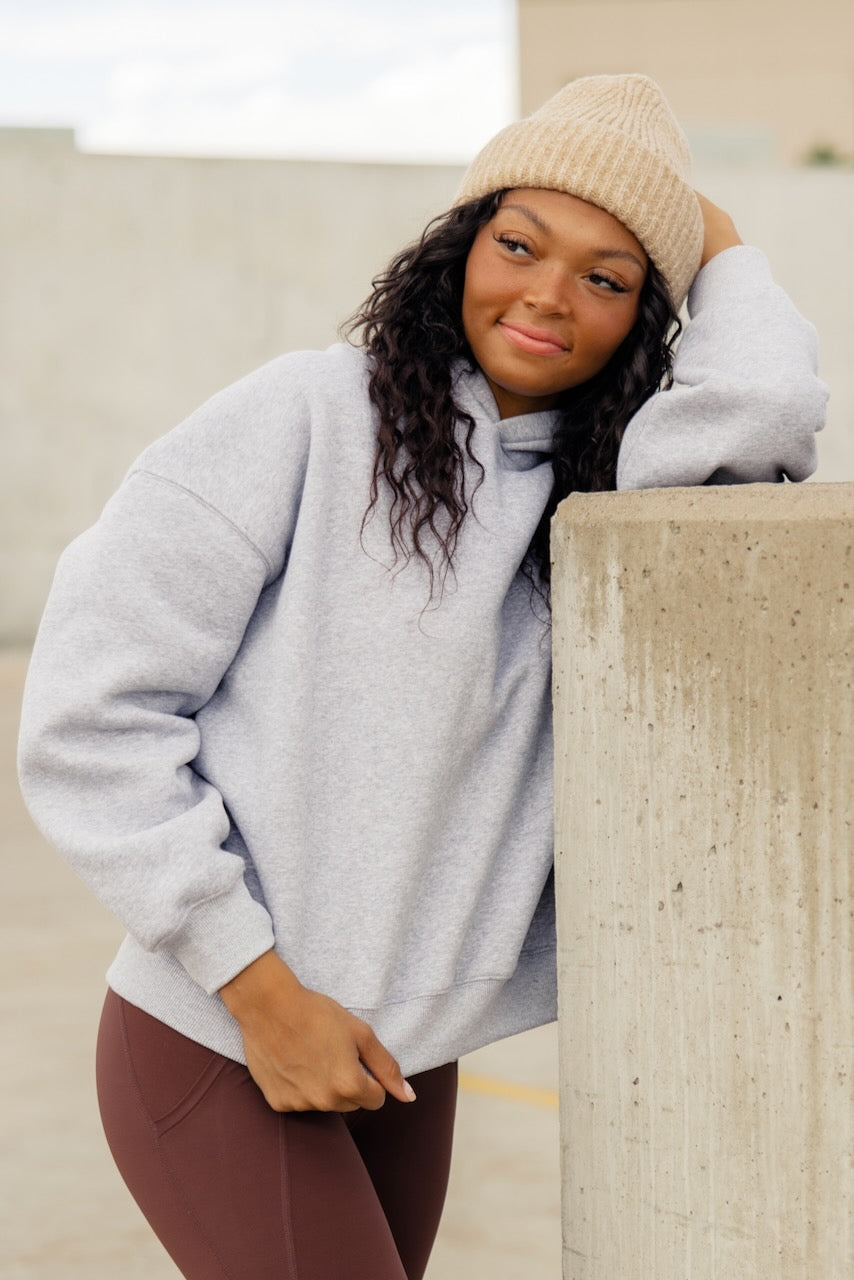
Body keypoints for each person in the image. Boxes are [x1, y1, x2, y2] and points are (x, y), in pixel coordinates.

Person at [17, 74, 825, 1280]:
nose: (548, 294)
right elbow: (91, 714)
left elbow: (761, 411)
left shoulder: (606, 487)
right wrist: (254, 981)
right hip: (227, 1027)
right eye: (518, 244)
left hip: (402, 1054)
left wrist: (716, 245)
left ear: (642, 316)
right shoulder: (304, 418)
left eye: (607, 277)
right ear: (460, 242)